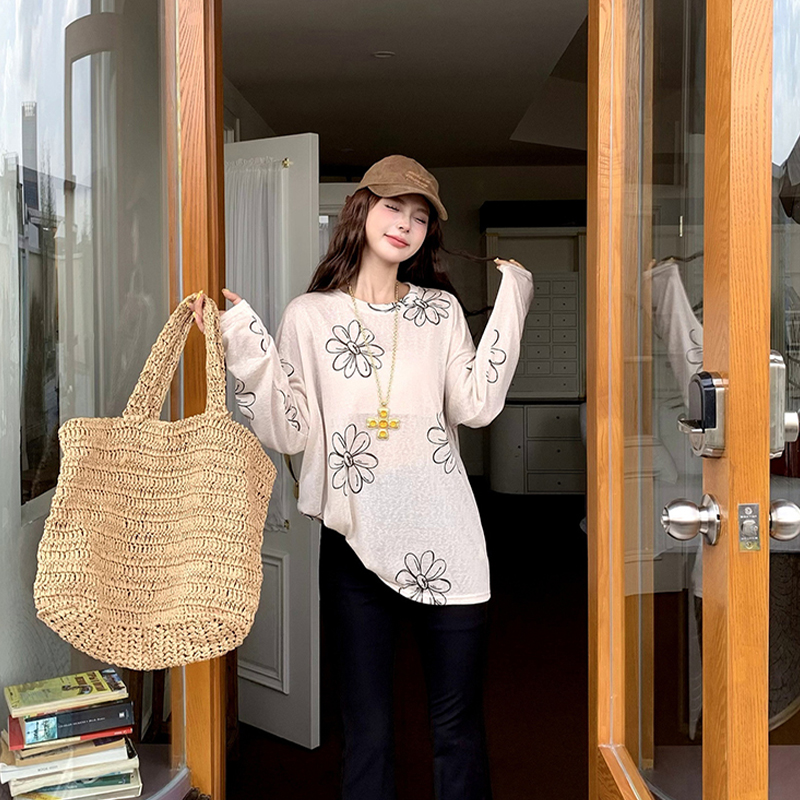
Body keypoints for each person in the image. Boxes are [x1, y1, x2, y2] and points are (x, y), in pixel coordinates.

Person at [191, 154, 534, 800]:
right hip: (354, 541)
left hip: (448, 540)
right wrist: (249, 346)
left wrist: (514, 300)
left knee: (457, 731)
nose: (404, 224)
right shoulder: (309, 316)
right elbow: (291, 430)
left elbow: (477, 406)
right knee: (367, 731)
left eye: (420, 217)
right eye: (393, 207)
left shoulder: (440, 313)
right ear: (362, 210)